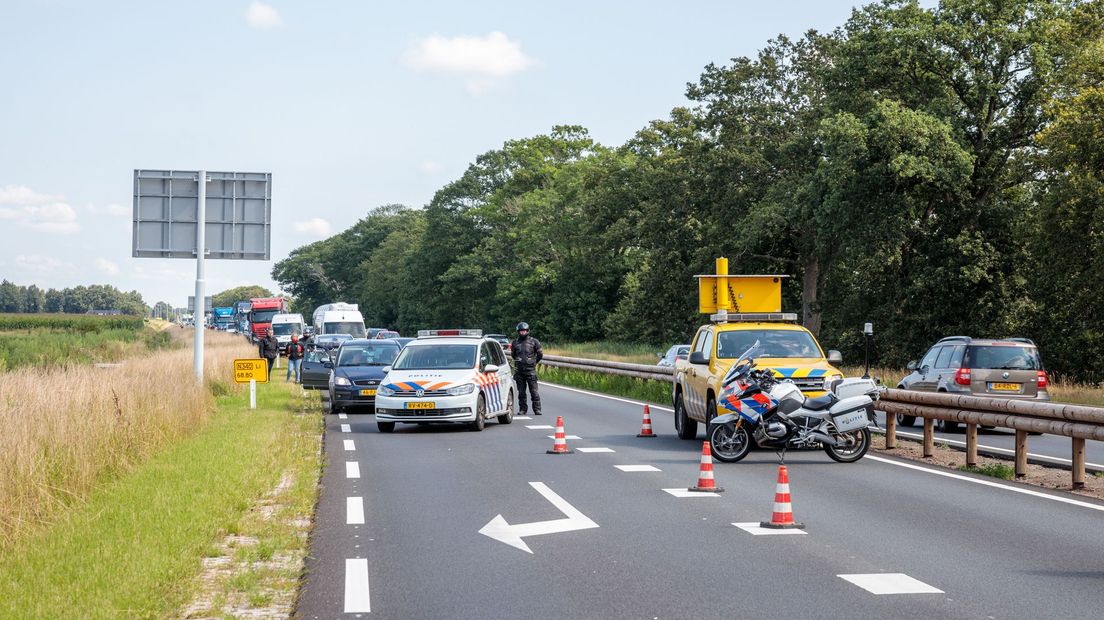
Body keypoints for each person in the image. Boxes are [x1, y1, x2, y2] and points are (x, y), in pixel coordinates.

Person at [511, 322, 543, 416]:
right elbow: (513, 355)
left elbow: (540, 354)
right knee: (521, 392)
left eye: (524, 331)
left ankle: (537, 409)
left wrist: (533, 362)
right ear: (518, 331)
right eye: (521, 331)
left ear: (528, 331)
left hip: (530, 371)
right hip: (519, 371)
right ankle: (522, 409)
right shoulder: (515, 342)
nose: (523, 332)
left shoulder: (534, 341)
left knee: (534, 391)